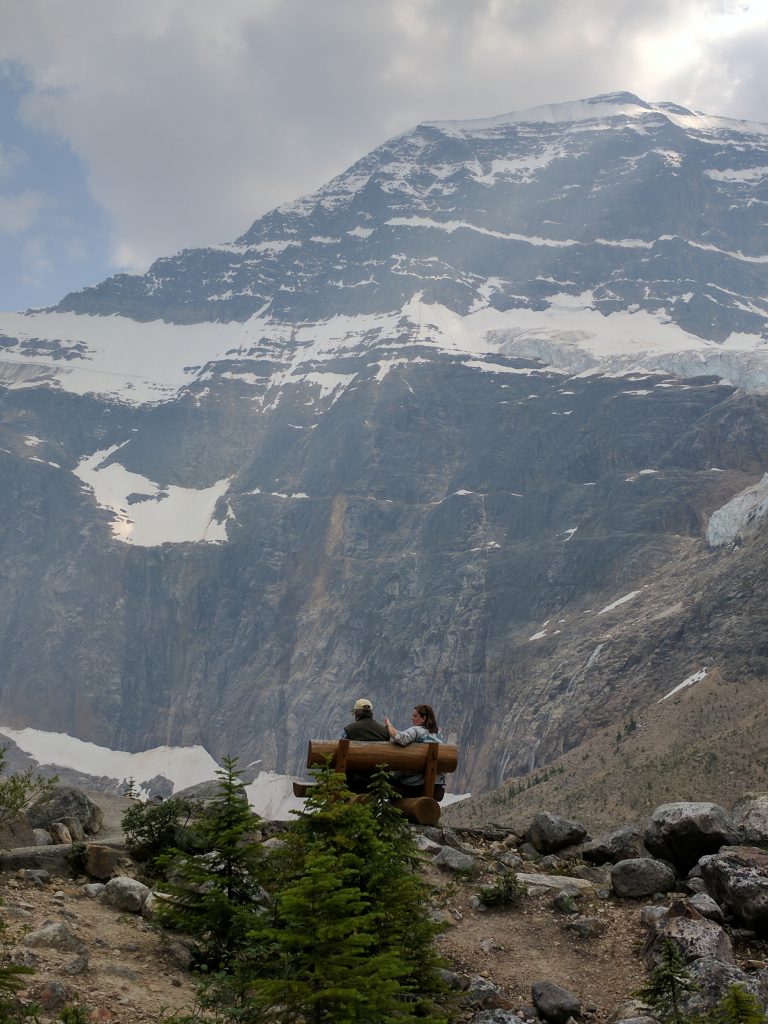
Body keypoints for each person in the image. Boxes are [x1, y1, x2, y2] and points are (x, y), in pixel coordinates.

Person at [384, 704, 446, 801]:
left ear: (424, 718)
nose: (412, 718)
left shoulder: (418, 731)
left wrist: (389, 725)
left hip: (415, 786)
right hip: (437, 787)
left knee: (383, 780)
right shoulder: (439, 736)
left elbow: (400, 738)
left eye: (415, 716)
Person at [340, 698, 389, 793]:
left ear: (357, 713)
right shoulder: (384, 732)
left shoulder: (349, 730)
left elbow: (339, 749)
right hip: (377, 780)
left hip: (353, 780)